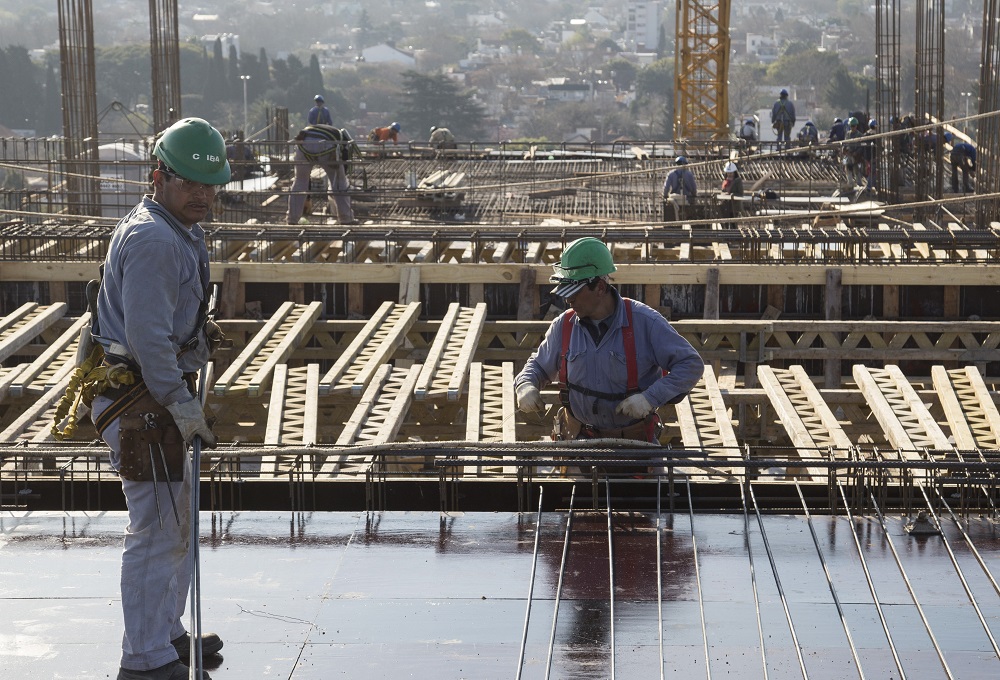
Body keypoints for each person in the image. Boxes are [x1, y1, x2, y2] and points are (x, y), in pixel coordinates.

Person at [89, 117, 226, 680]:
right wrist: (180, 400)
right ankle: (144, 658)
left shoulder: (174, 231)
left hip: (154, 396)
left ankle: (165, 635)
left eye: (209, 184)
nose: (201, 194)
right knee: (155, 529)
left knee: (176, 523)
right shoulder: (152, 239)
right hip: (143, 400)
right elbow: (147, 339)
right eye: (189, 182)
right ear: (157, 177)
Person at [514, 237, 703, 460]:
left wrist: (650, 398)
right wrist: (525, 385)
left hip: (634, 448)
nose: (568, 301)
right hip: (576, 444)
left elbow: (690, 364)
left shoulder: (644, 323)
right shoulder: (563, 326)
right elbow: (538, 366)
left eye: (573, 292)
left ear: (600, 287)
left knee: (642, 495)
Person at [286, 124, 357, 225]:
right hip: (327, 146)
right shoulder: (343, 142)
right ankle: (346, 219)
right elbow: (344, 164)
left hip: (303, 145)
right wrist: (341, 176)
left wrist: (308, 197)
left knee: (300, 181)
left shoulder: (330, 131)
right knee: (339, 183)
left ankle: (292, 220)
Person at [662, 155, 697, 221]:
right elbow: (694, 188)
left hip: (675, 201)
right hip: (687, 200)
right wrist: (694, 196)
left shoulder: (671, 174)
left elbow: (666, 188)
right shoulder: (689, 174)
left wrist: (665, 196)